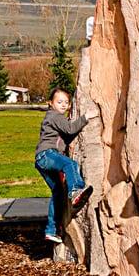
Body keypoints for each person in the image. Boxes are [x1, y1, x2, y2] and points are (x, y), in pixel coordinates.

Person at [34, 87, 99, 243]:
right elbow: (70, 129)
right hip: (47, 155)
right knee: (69, 164)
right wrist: (85, 117)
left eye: (66, 102)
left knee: (57, 193)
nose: (63, 105)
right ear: (50, 103)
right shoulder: (55, 116)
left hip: (41, 159)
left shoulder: (54, 118)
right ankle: (76, 190)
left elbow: (66, 136)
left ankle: (51, 230)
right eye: (59, 102)